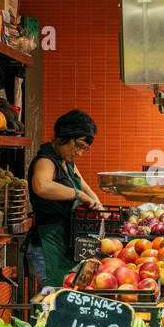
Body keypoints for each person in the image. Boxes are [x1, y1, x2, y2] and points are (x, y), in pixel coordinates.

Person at [26, 109, 101, 289]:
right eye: (78, 146)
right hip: (47, 248)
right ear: (64, 136)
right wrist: (78, 195)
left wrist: (97, 204)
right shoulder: (46, 161)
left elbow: (85, 187)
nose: (79, 153)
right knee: (53, 305)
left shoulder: (66, 163)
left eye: (84, 148)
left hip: (63, 246)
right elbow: (41, 186)